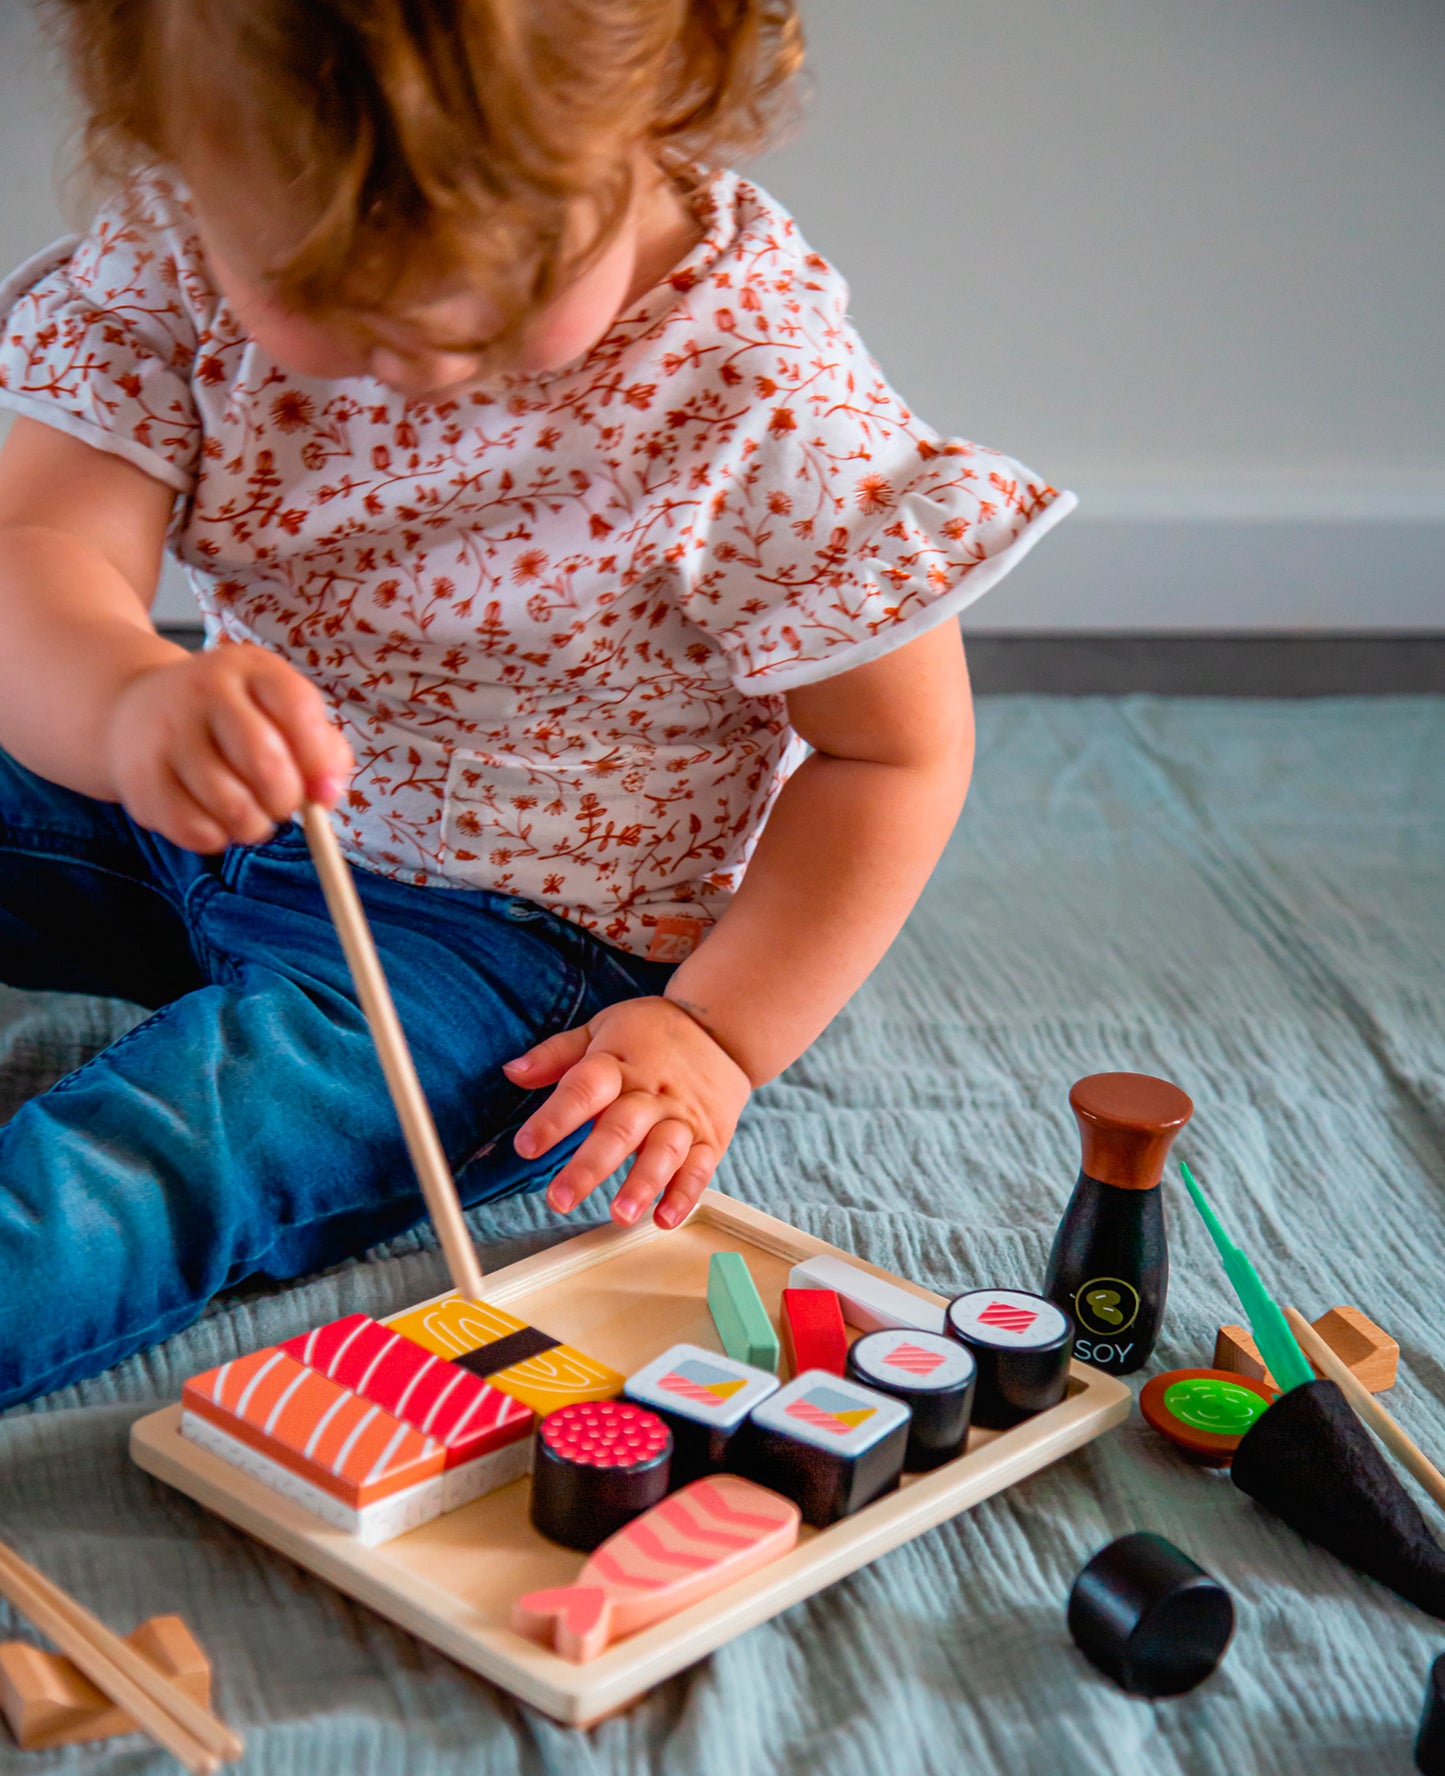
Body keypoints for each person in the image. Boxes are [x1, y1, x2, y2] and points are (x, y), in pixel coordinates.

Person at [0, 0, 1074, 1408]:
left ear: (667, 96)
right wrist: (133, 700)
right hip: (202, 801)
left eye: (496, 281)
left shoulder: (754, 397)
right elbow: (44, 558)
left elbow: (892, 753)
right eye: (314, 290)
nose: (422, 344)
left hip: (505, 945)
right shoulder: (176, 252)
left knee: (171, 1151)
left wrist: (718, 1033)